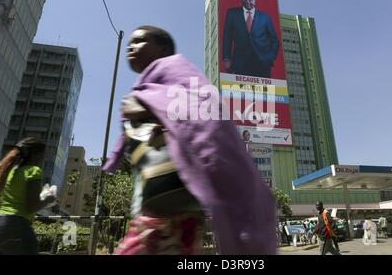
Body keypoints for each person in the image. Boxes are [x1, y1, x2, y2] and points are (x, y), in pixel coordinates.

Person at [102, 25, 276, 255]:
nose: (131, 47)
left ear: (163, 49)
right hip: (154, 216)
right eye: (129, 44)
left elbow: (204, 112)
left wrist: (146, 106)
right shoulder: (143, 90)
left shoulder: (178, 73)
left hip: (172, 219)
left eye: (140, 41)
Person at [0, 138, 56, 255]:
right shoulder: (33, 171)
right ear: (36, 156)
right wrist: (49, 198)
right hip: (16, 226)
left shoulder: (8, 172)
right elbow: (32, 206)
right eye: (43, 156)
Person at [222, 0, 279, 78]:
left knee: (265, 90)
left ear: (255, 1)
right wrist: (226, 58)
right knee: (240, 90)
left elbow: (274, 39)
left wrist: (270, 57)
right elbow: (227, 37)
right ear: (241, 0)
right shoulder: (232, 13)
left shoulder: (265, 17)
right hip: (240, 62)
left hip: (262, 63)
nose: (247, 1)